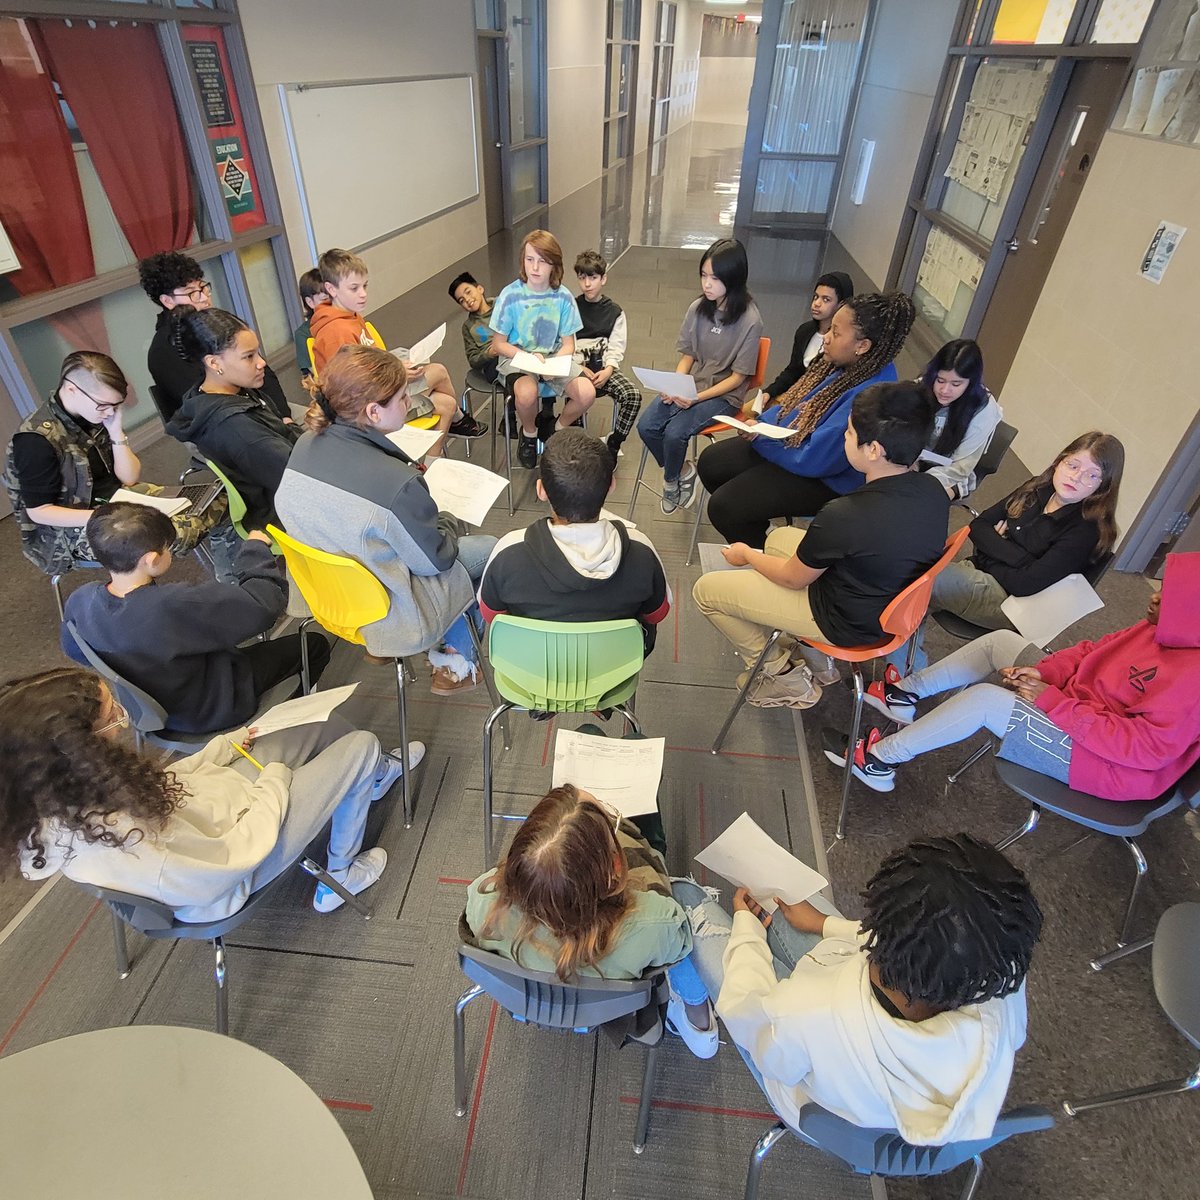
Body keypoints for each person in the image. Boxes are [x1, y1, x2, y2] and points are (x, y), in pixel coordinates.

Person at [673, 833, 1041, 1145]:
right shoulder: (996, 973)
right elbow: (927, 949)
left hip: (814, 1105)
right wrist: (826, 925)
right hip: (882, 1110)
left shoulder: (807, 1011)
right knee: (794, 904)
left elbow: (751, 1022)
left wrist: (747, 932)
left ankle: (689, 1008)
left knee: (684, 898)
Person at [1, 667, 413, 917]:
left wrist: (221, 749)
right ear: (78, 746)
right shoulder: (127, 841)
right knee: (361, 745)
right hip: (242, 859)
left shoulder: (61, 793)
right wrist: (273, 781)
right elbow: (231, 861)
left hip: (225, 810)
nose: (125, 723)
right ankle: (338, 877)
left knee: (307, 723)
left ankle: (369, 779)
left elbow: (163, 787)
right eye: (114, 717)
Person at [825, 552, 1200, 802]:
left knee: (986, 700)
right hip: (1080, 711)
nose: (1154, 597)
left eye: (1171, 596)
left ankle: (878, 762)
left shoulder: (1192, 681)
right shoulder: (1162, 628)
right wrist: (1044, 672)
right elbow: (1090, 651)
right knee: (1003, 642)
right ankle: (903, 694)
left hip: (1107, 763)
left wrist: (1051, 699)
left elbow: (1141, 750)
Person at [693, 382, 949, 710]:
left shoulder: (846, 514)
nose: (844, 437)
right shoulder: (934, 491)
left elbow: (792, 579)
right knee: (778, 539)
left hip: (843, 620)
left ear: (873, 450)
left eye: (850, 432)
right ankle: (813, 657)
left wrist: (746, 555)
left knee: (706, 592)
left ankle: (781, 674)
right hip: (883, 601)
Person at [275, 345, 495, 697]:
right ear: (374, 412)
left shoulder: (303, 446)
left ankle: (381, 649)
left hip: (334, 600)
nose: (410, 402)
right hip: (395, 608)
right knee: (493, 552)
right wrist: (446, 519)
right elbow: (435, 560)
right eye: (403, 397)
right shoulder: (396, 484)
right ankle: (455, 661)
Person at [463, 780, 719, 1057]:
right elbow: (679, 948)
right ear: (613, 867)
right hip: (614, 1008)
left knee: (589, 732)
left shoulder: (483, 902)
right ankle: (699, 1020)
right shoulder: (655, 923)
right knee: (685, 917)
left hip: (522, 996)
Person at [60, 502, 331, 735]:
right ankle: (287, 723)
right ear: (152, 559)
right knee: (314, 644)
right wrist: (255, 549)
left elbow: (76, 650)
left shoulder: (81, 600)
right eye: (167, 548)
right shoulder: (174, 605)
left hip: (152, 712)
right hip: (214, 707)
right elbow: (263, 605)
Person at [882, 430, 1128, 677]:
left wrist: (993, 551)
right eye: (1072, 465)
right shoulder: (1038, 487)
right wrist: (1021, 559)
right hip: (983, 575)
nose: (1076, 477)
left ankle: (905, 677)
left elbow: (1025, 585)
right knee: (917, 585)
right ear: (1059, 461)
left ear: (1103, 486)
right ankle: (908, 672)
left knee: (919, 578)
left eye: (1092, 475)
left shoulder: (1086, 529)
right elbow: (978, 526)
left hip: (1016, 606)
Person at [696, 291, 915, 547]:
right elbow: (796, 403)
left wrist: (762, 438)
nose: (826, 338)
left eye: (836, 332)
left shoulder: (873, 393)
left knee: (725, 507)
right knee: (712, 463)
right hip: (796, 447)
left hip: (826, 478)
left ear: (862, 346)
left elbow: (817, 461)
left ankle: (766, 557)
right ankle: (761, 530)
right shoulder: (846, 363)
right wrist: (763, 423)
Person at [2, 351, 228, 578]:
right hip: (68, 530)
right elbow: (39, 512)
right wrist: (103, 514)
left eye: (115, 405)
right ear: (71, 389)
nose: (110, 412)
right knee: (176, 531)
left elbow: (129, 478)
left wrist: (115, 431)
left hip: (118, 501)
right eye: (103, 405)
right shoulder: (35, 441)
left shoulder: (95, 415)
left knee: (217, 500)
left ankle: (230, 576)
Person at [478, 428, 670, 655]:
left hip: (531, 669)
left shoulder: (507, 552)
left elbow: (491, 614)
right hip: (611, 668)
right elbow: (657, 613)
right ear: (611, 485)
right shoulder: (642, 551)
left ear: (541, 490)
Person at [309, 247, 485, 451]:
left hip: (379, 393)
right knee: (438, 372)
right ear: (331, 289)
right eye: (354, 288)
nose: (363, 294)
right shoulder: (336, 331)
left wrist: (395, 366)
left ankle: (430, 467)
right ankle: (457, 425)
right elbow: (353, 389)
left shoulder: (350, 314)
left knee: (447, 404)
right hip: (366, 412)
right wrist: (398, 373)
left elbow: (369, 360)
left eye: (365, 286)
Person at [635, 237, 764, 514]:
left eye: (715, 278)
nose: (707, 284)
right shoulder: (698, 308)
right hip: (692, 385)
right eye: (704, 275)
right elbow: (688, 357)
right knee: (646, 426)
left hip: (725, 395)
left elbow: (738, 379)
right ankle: (683, 470)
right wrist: (676, 385)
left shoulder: (751, 320)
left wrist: (694, 398)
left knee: (674, 433)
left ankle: (670, 481)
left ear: (733, 277)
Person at [165, 307, 303, 530]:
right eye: (249, 357)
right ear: (214, 363)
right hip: (284, 508)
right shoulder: (237, 428)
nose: (262, 363)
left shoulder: (215, 392)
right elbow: (297, 478)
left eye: (257, 353)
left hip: (281, 481)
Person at [137, 251, 292, 425]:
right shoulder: (164, 350)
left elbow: (264, 373)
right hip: (220, 427)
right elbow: (206, 405)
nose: (204, 298)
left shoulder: (214, 325)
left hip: (257, 410)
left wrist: (283, 416)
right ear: (167, 301)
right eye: (192, 293)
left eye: (203, 288)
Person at [489, 229, 596, 469]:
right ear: (522, 261)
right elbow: (499, 344)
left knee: (586, 393)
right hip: (516, 356)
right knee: (526, 393)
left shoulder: (563, 297)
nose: (535, 268)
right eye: (530, 260)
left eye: (543, 261)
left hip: (552, 357)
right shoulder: (510, 295)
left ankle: (557, 429)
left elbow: (569, 344)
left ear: (554, 265)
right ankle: (529, 433)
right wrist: (528, 358)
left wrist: (551, 363)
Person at [572, 249, 643, 463]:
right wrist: (578, 368)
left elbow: (617, 346)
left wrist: (609, 369)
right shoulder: (572, 307)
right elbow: (566, 343)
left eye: (593, 278)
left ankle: (613, 444)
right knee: (576, 405)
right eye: (582, 278)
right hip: (577, 370)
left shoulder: (615, 312)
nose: (587, 284)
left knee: (633, 396)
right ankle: (573, 442)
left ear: (603, 278)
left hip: (605, 369)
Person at [916, 339, 1002, 501]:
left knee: (917, 499)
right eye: (940, 380)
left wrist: (917, 479)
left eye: (956, 384)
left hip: (953, 472)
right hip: (914, 459)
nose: (945, 390)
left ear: (970, 383)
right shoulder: (923, 385)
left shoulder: (984, 410)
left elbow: (961, 468)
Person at [756, 271, 854, 410]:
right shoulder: (805, 331)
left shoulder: (843, 343)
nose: (817, 304)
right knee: (751, 410)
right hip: (795, 394)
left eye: (826, 299)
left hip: (815, 403)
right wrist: (769, 392)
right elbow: (793, 371)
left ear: (841, 305)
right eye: (816, 297)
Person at [449, 270, 500, 386]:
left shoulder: (502, 305)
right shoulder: (468, 327)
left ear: (480, 289)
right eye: (461, 300)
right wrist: (489, 353)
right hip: (493, 363)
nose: (467, 300)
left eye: (468, 292)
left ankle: (546, 400)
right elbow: (473, 360)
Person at [293, 267, 328, 378]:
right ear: (310, 302)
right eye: (324, 299)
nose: (331, 303)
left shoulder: (346, 319)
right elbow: (317, 374)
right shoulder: (304, 334)